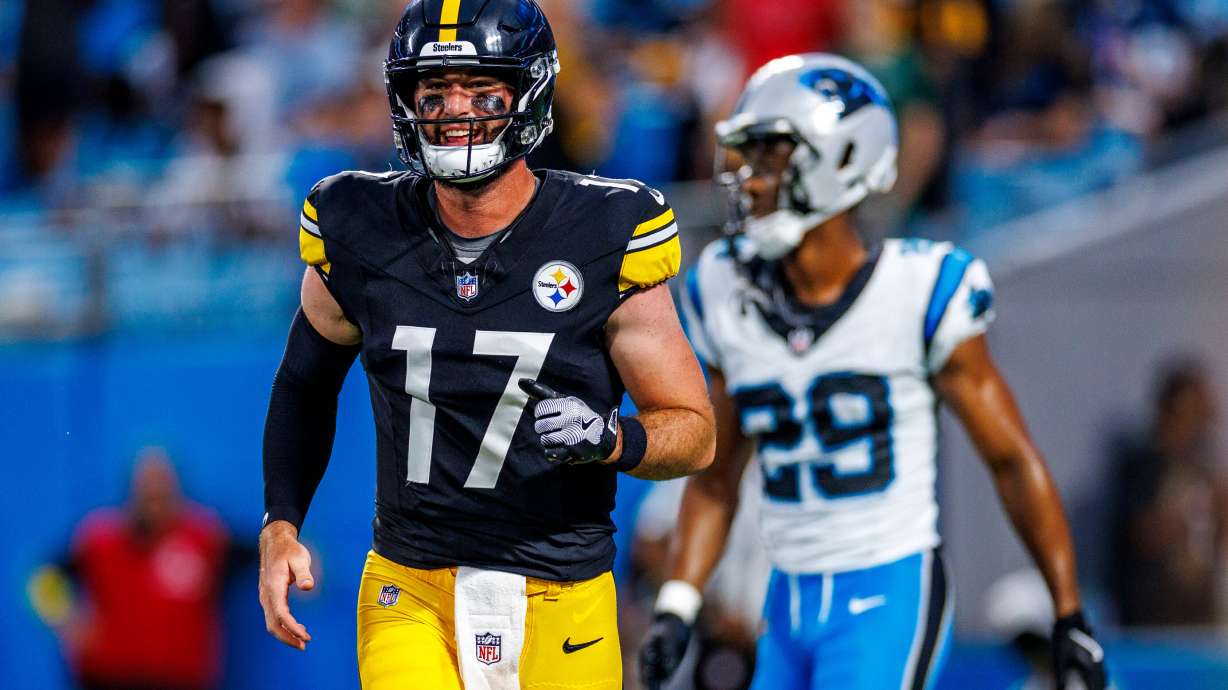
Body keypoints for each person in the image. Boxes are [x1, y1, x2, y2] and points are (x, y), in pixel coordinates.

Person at [256, 2, 716, 689]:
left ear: (529, 92)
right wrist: (281, 523)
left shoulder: (605, 231)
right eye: (433, 92)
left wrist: (614, 439)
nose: (455, 110)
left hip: (560, 589)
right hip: (411, 586)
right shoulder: (359, 224)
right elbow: (304, 382)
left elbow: (695, 433)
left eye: (481, 90)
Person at [638, 53, 1107, 690]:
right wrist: (679, 604)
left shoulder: (919, 289)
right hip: (785, 596)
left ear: (843, 160)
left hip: (888, 587)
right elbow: (718, 478)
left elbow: (1010, 460)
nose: (748, 180)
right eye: (747, 158)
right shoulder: (725, 288)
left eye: (771, 156)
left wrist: (1068, 612)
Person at [29, 448, 245, 690]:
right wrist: (68, 620)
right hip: (107, 677)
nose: (154, 493)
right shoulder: (99, 540)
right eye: (147, 487)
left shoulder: (205, 539)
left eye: (161, 487)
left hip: (180, 679)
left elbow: (260, 559)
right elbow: (44, 578)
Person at [1108, 357, 1227, 626]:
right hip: (1151, 618)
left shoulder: (1203, 467)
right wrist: (1193, 519)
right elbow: (1141, 531)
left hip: (1197, 619)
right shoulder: (1143, 466)